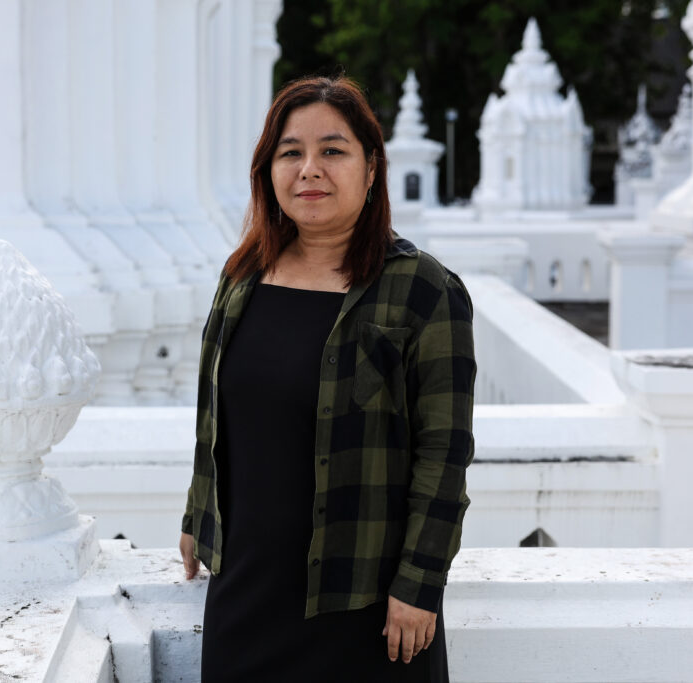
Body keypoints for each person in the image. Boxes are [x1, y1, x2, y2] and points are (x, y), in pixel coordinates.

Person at [179, 75, 476, 683]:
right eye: (291, 152)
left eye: (332, 151)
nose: (309, 169)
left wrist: (419, 585)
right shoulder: (242, 277)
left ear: (371, 171)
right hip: (246, 594)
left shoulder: (424, 289)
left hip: (366, 607)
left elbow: (443, 455)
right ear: (269, 172)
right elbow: (219, 418)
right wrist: (197, 518)